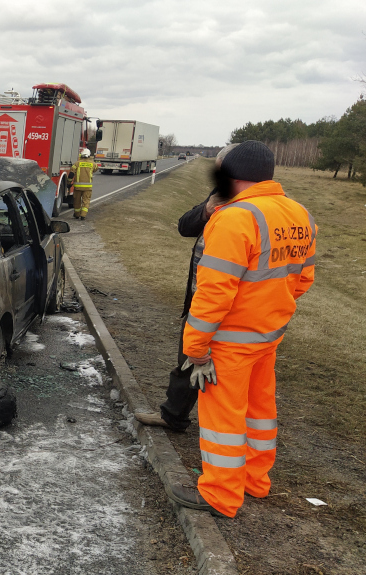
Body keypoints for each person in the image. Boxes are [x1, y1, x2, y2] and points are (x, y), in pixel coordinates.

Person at [167, 140, 316, 518]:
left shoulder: (235, 217)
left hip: (229, 341)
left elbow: (213, 292)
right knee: (259, 410)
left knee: (224, 419)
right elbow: (302, 280)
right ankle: (254, 480)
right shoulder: (298, 213)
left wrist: (196, 348)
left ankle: (220, 494)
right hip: (267, 335)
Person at [135, 144, 237, 432]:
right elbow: (184, 226)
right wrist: (206, 210)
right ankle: (174, 414)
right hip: (201, 297)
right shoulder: (222, 196)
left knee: (223, 369)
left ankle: (217, 427)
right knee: (188, 359)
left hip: (228, 305)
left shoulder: (253, 208)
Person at [68, 149, 95, 219]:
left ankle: (77, 215)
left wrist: (68, 182)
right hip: (88, 187)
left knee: (77, 201)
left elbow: (71, 174)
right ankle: (83, 215)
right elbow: (95, 169)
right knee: (86, 201)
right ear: (89, 155)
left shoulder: (77, 163)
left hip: (77, 187)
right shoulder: (93, 164)